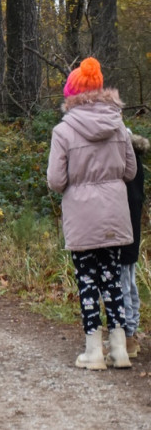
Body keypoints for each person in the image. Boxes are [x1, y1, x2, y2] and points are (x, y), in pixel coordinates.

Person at [46, 57, 137, 370]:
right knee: (113, 281)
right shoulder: (119, 127)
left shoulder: (64, 132)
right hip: (114, 214)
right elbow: (130, 170)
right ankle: (120, 350)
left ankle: (93, 351)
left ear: (71, 95)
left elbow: (56, 181)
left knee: (87, 281)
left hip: (82, 217)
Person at [119, 130, 147, 359]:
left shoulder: (125, 160)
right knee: (128, 276)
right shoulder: (134, 159)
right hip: (130, 229)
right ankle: (131, 331)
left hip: (121, 227)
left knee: (123, 281)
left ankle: (128, 334)